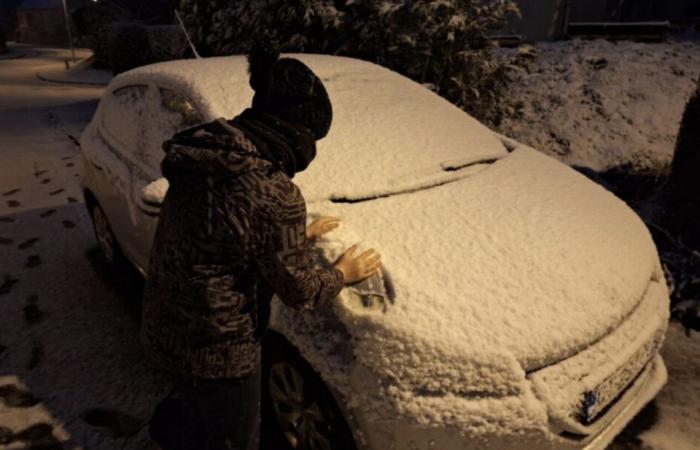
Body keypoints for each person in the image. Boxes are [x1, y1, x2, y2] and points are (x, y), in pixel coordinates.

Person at [140, 40, 382, 450]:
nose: (313, 148)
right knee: (235, 438)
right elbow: (300, 291)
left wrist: (296, 235)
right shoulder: (273, 192)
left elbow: (222, 229)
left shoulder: (207, 154)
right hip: (221, 350)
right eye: (312, 134)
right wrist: (343, 272)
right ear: (291, 126)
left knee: (194, 412)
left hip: (165, 321)